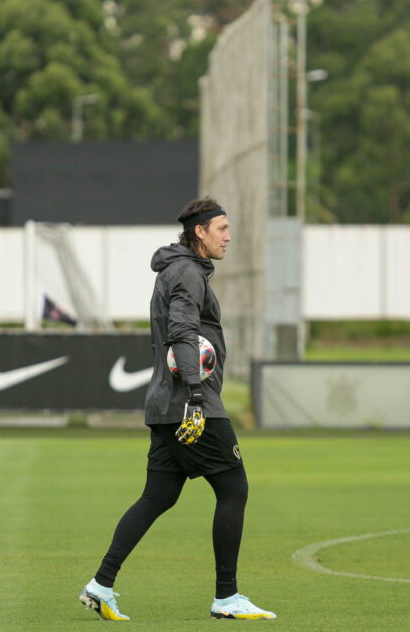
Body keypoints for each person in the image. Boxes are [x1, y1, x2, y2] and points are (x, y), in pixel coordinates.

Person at [79, 197, 276, 621]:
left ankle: (101, 584)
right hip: (191, 402)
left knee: (158, 496)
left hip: (165, 404)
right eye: (222, 228)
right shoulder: (187, 271)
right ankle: (227, 597)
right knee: (234, 488)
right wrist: (199, 396)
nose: (229, 236)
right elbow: (182, 331)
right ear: (199, 233)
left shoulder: (179, 269)